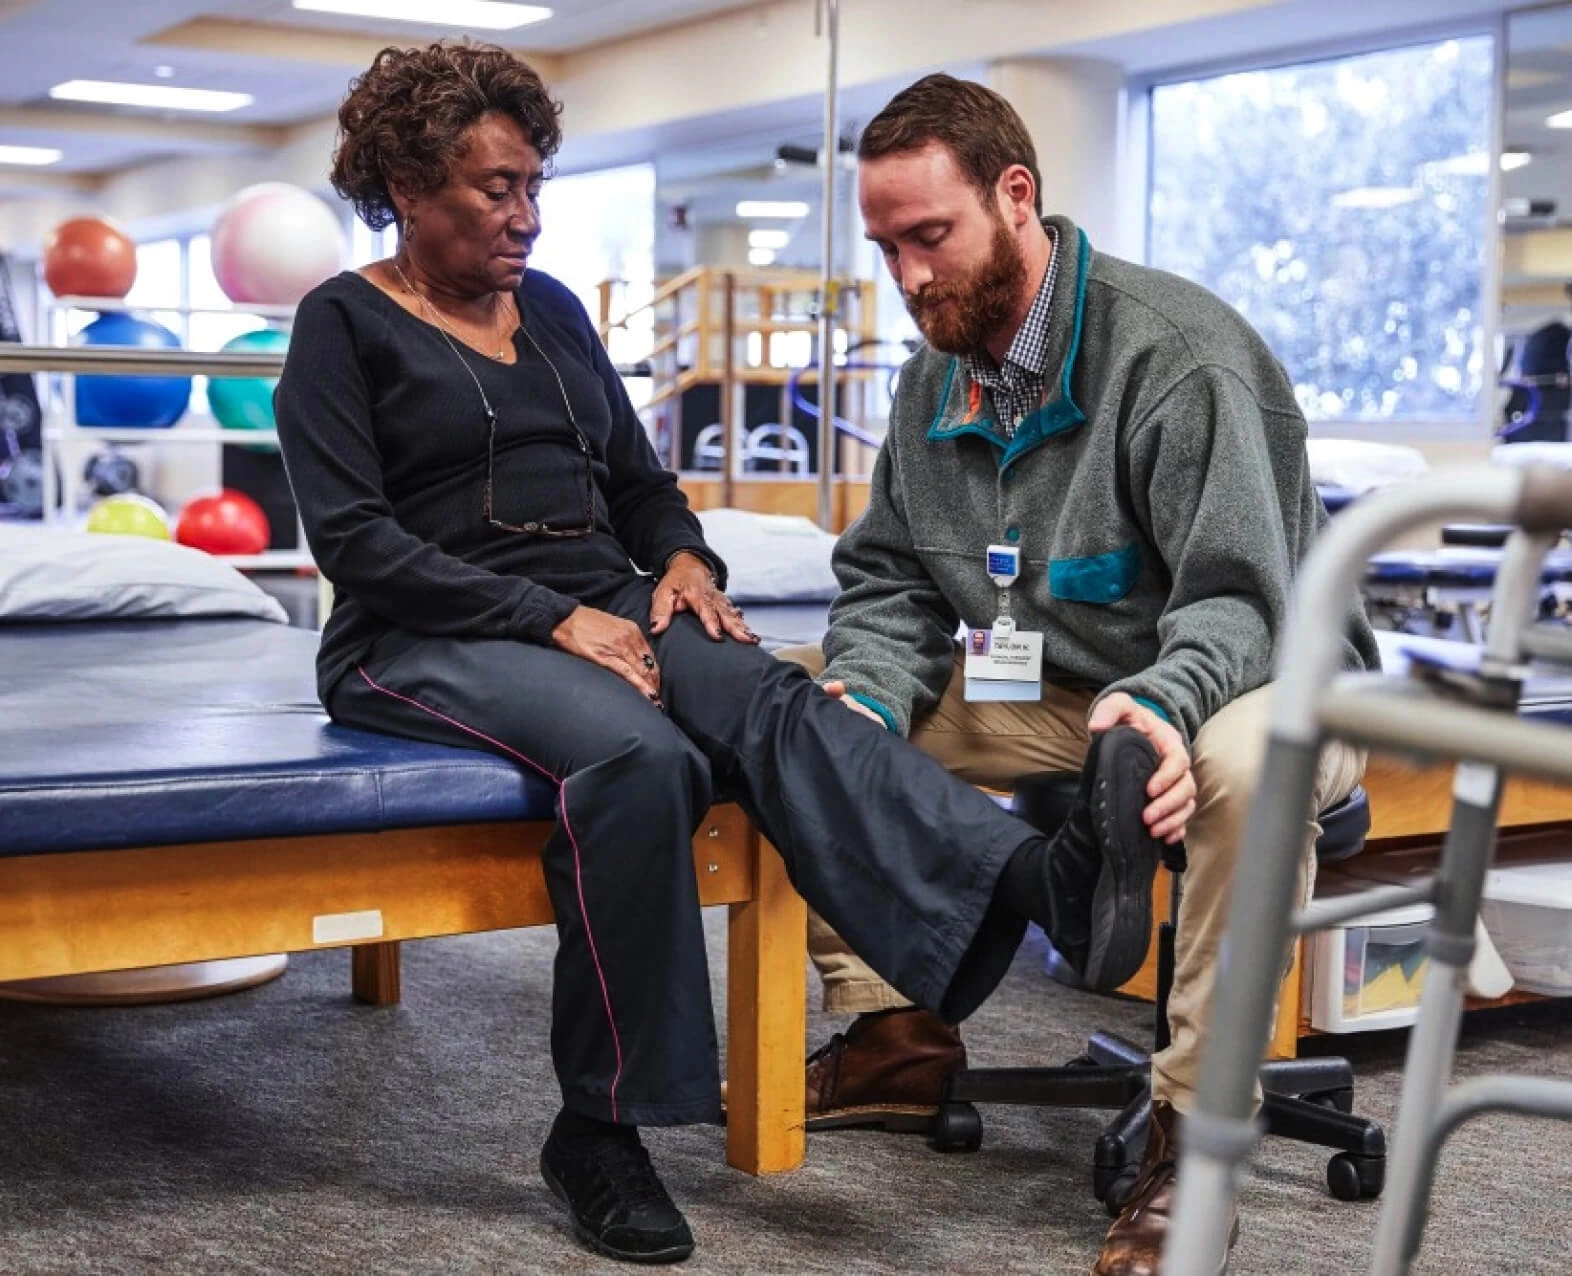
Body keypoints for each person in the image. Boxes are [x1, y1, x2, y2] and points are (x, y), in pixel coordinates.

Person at [275, 43, 1170, 1267]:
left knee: (773, 701)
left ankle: (1038, 885)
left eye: (535, 184)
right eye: (495, 189)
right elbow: (358, 544)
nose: (525, 216)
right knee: (640, 759)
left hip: (607, 596)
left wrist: (685, 562)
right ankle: (598, 1129)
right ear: (407, 182)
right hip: (420, 630)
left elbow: (640, 485)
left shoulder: (550, 312)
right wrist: (553, 621)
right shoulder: (340, 323)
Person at [782, 74, 1380, 1276]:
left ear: (1017, 198)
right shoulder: (927, 380)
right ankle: (899, 1027)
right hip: (1050, 688)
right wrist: (870, 691)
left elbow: (1248, 599)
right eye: (886, 246)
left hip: (1261, 673)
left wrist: (1161, 704)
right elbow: (895, 583)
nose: (907, 279)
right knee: (797, 709)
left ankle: (1196, 1137)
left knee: (1242, 770)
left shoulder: (1180, 358)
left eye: (930, 238)